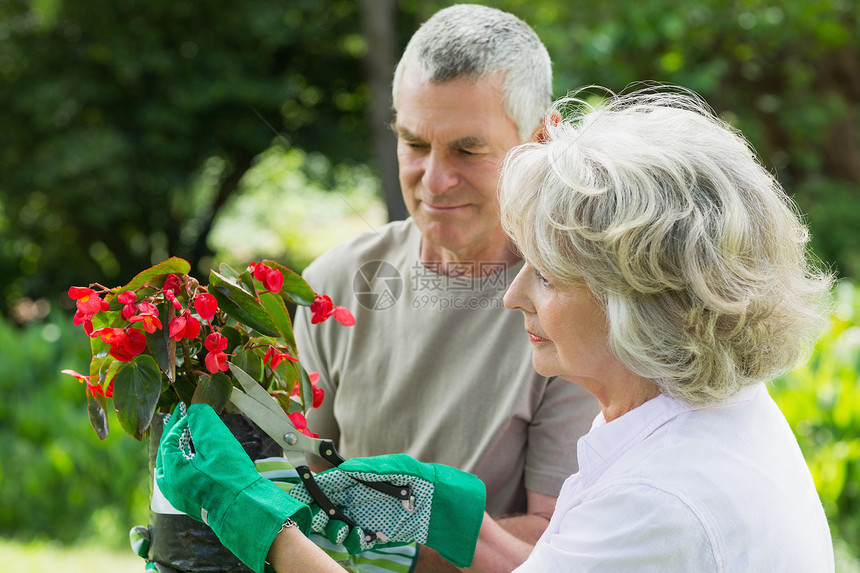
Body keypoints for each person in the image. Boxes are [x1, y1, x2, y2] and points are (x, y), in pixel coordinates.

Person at [292, 4, 598, 570]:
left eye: (467, 149)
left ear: (541, 138)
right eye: (414, 143)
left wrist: (381, 557)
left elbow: (557, 543)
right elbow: (295, 484)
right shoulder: (334, 285)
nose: (434, 180)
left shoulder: (579, 306)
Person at [481, 86, 834, 570]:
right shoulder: (711, 413)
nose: (513, 297)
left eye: (546, 275)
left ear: (639, 301)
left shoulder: (654, 502)